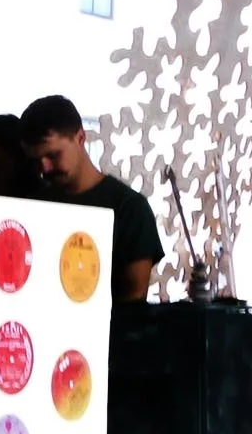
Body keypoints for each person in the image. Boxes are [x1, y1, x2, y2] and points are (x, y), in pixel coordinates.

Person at [20, 94, 164, 302]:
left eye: (53, 155)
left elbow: (133, 299)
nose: (44, 168)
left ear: (80, 138)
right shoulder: (33, 207)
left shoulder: (129, 208)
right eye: (36, 161)